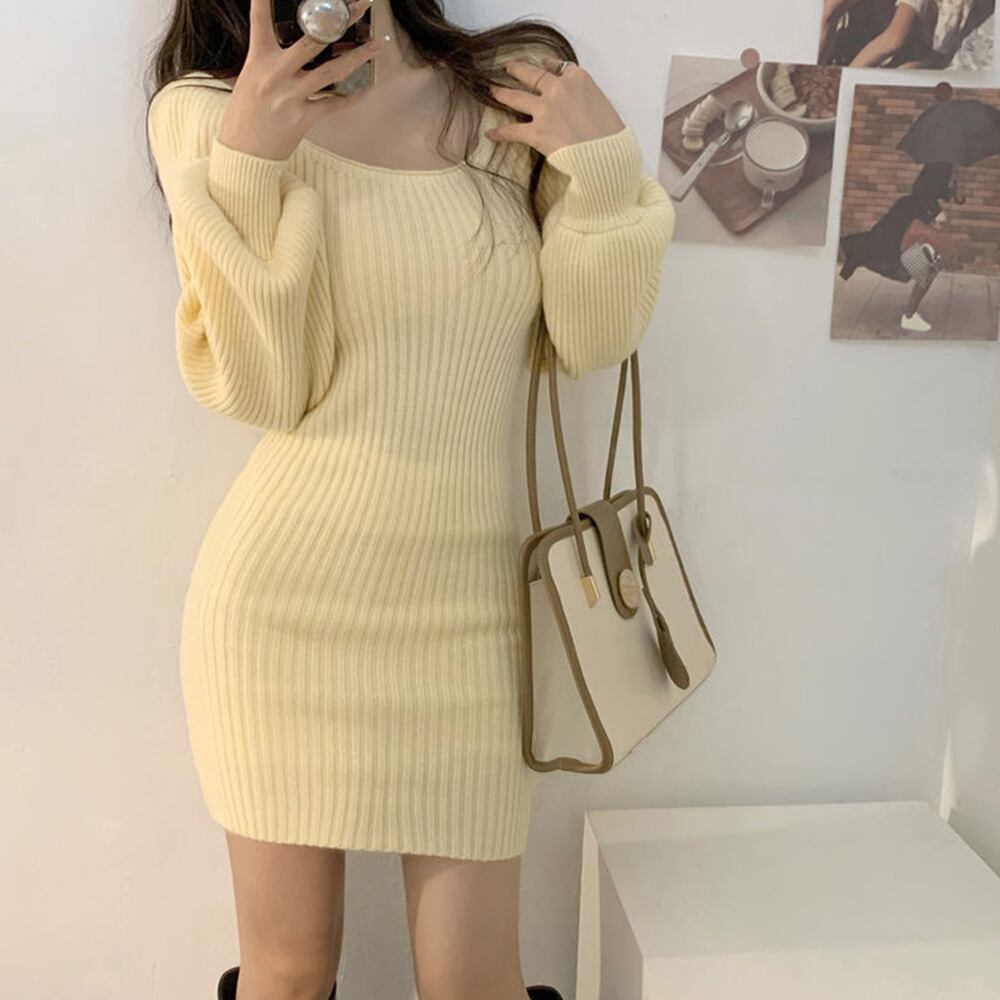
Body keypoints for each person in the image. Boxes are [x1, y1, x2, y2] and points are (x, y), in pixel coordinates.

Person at [144, 1, 675, 999]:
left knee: (473, 982)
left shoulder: (511, 86)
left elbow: (589, 338)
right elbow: (265, 390)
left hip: (474, 618)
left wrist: (604, 172)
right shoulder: (206, 111)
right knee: (287, 973)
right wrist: (249, 166)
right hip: (278, 614)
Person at [820, 0, 939, 66]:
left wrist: (845, 77)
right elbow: (828, 14)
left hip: (900, 62)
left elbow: (893, 40)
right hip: (855, 55)